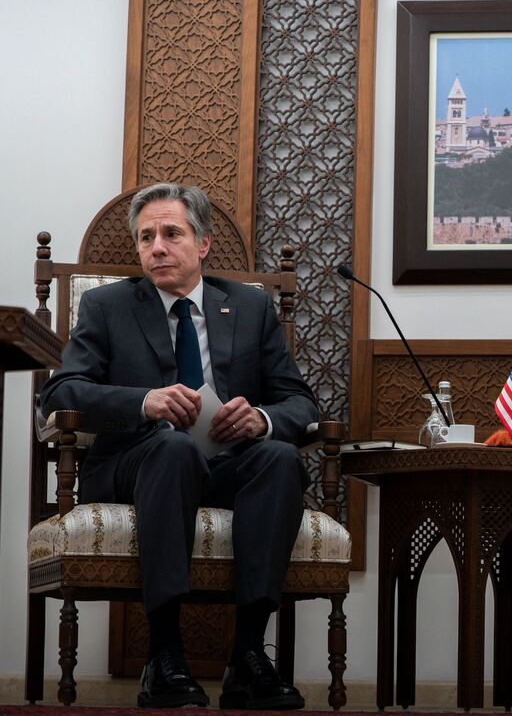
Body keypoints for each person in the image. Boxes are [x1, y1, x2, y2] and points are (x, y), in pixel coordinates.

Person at [41, 183, 319, 710]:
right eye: (146, 237)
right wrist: (143, 401)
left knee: (280, 458)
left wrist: (260, 418)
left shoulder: (251, 307)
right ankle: (164, 655)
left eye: (171, 234)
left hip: (224, 462)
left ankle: (247, 657)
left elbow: (299, 403)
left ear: (204, 244)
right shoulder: (107, 306)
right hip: (134, 463)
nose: (157, 248)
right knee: (173, 450)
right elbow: (58, 392)